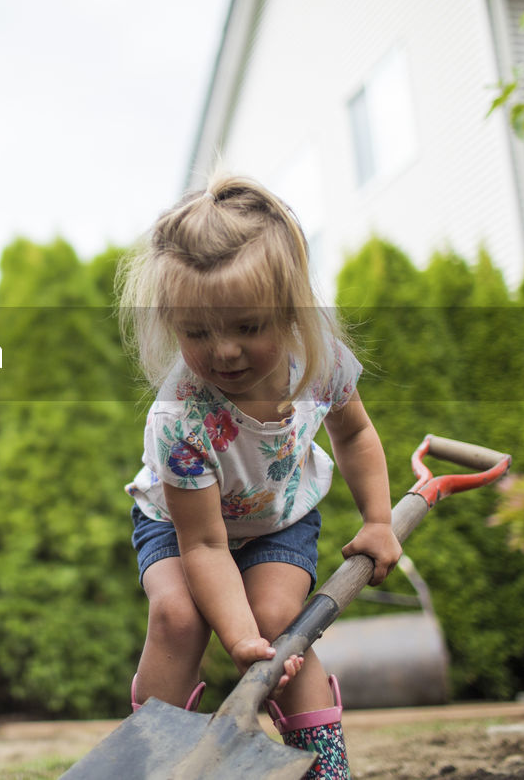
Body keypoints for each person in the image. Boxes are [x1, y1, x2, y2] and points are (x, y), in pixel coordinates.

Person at [117, 175, 402, 778]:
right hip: (182, 528)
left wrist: (378, 521)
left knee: (284, 630)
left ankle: (326, 766)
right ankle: (152, 760)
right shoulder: (179, 418)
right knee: (178, 616)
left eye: (248, 327)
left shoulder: (319, 363)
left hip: (278, 519)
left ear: (289, 310)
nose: (223, 352)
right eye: (197, 333)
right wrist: (238, 637)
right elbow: (204, 544)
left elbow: (353, 434)